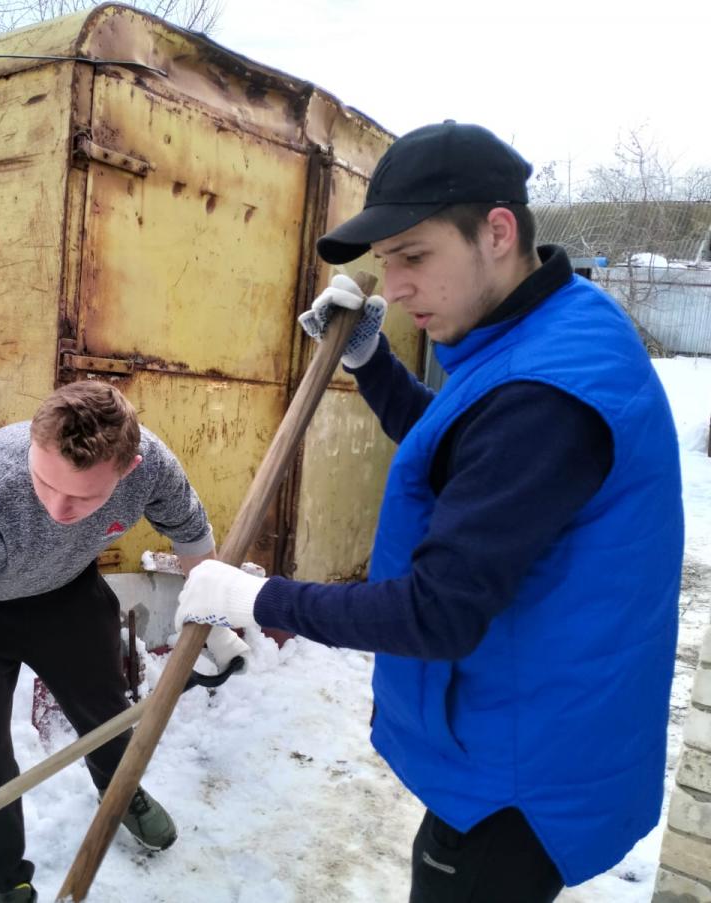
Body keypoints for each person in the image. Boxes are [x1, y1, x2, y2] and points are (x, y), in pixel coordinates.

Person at [176, 121, 684, 903]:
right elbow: (472, 459)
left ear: (498, 232)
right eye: (388, 264)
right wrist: (371, 364)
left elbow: (437, 612)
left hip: (522, 772)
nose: (399, 286)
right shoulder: (561, 324)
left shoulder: (542, 393)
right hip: (544, 723)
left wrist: (257, 598)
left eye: (414, 256)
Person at [0, 380, 246, 902]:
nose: (58, 508)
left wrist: (215, 620)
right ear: (31, 450)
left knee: (106, 710)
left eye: (83, 495)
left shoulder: (150, 464)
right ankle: (5, 879)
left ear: (128, 470)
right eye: (45, 483)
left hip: (67, 592)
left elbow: (192, 536)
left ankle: (121, 792)